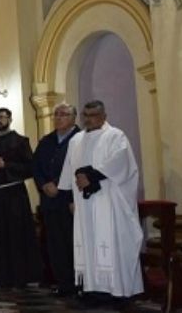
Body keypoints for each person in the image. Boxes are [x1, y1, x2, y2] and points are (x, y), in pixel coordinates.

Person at [58, 100, 143, 306]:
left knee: (112, 245)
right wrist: (69, 198)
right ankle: (92, 290)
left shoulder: (115, 136)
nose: (89, 119)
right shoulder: (76, 140)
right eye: (86, 115)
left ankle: (119, 291)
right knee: (88, 244)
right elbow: (68, 172)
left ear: (104, 116)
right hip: (84, 205)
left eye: (94, 115)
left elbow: (120, 164)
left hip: (110, 204)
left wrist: (92, 176)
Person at [0, 107, 41, 288]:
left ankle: (19, 277)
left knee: (16, 236)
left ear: (10, 119)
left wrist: (6, 165)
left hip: (15, 196)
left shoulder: (21, 141)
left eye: (2, 117)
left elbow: (30, 168)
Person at [33, 103, 81, 296]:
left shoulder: (80, 139)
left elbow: (79, 167)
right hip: (50, 201)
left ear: (73, 117)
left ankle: (79, 283)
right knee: (55, 244)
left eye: (64, 114)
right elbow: (36, 166)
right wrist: (44, 184)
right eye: (57, 114)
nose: (59, 117)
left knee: (73, 243)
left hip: (70, 201)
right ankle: (63, 283)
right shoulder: (46, 141)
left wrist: (58, 185)